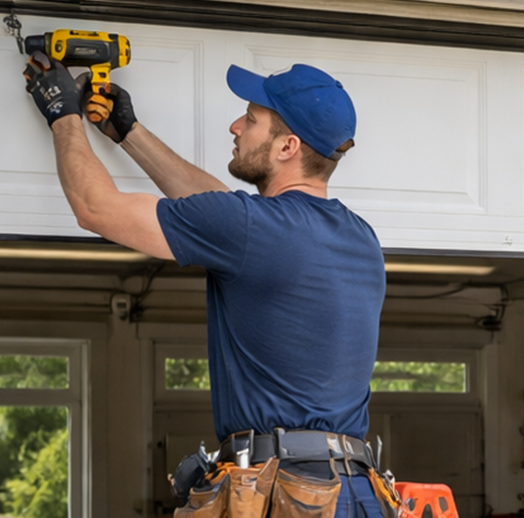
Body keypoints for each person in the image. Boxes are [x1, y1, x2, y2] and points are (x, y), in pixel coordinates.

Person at [23, 53, 389, 517]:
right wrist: (130, 132)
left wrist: (63, 115)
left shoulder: (251, 229)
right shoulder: (360, 237)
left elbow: (95, 208)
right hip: (354, 491)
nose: (236, 126)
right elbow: (220, 209)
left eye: (252, 120)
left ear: (286, 147)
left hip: (289, 496)